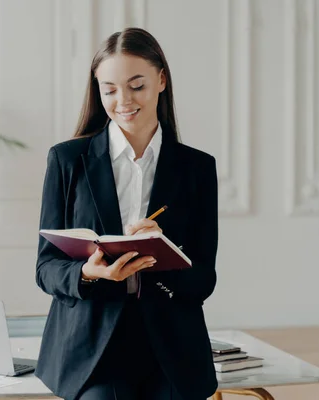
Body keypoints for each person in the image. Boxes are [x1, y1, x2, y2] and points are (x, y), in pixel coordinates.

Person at [34, 27, 219, 400]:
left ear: (161, 80)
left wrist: (162, 255)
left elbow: (204, 281)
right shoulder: (67, 161)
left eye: (137, 85)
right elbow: (46, 269)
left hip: (171, 346)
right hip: (93, 344)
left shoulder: (196, 168)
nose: (123, 100)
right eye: (110, 89)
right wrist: (87, 273)